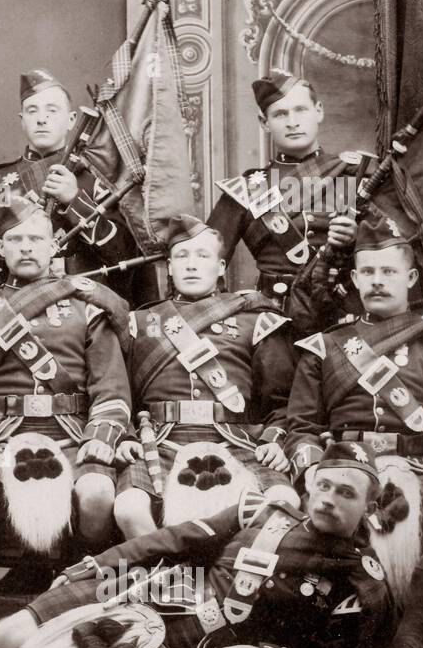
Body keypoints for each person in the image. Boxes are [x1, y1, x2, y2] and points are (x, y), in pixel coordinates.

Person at [0, 442, 395, 648]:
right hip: (147, 594)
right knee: (7, 633)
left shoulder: (363, 583)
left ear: (370, 508)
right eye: (323, 485)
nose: (328, 498)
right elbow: (169, 540)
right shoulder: (257, 512)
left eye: (345, 493)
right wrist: (98, 564)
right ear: (308, 489)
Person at [284, 214, 423, 648]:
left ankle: (412, 633)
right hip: (344, 469)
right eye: (370, 272)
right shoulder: (324, 347)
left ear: (411, 278)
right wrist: (314, 473)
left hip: (419, 465)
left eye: (390, 272)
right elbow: (299, 427)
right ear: (356, 278)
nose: (378, 282)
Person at [0, 193, 131, 619]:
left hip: (72, 431)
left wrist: (101, 438)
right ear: (1, 249)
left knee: (96, 494)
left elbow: (110, 386)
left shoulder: (88, 306)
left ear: (53, 246)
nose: (26, 247)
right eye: (15, 239)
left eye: (35, 239)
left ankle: (77, 605)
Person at [112, 214, 298, 541]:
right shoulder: (138, 324)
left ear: (222, 267)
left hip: (235, 439)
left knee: (285, 502)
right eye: (182, 256)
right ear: (168, 267)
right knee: (129, 507)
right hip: (159, 441)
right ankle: (167, 581)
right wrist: (126, 435)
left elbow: (281, 402)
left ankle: (224, 581)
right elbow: (121, 395)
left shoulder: (254, 320)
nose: (192, 265)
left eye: (203, 256)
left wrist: (272, 439)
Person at [0, 69, 136, 300]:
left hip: (84, 309)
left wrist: (76, 201)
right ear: (22, 120)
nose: (41, 119)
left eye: (52, 110)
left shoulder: (96, 179)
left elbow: (124, 255)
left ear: (71, 121)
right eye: (32, 110)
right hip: (14, 306)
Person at [205, 70, 364, 311]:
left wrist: (357, 239)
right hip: (273, 317)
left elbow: (392, 255)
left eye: (301, 109)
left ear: (318, 110)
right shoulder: (247, 190)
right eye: (280, 114)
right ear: (264, 123)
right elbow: (204, 258)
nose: (292, 122)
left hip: (340, 315)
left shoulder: (353, 174)